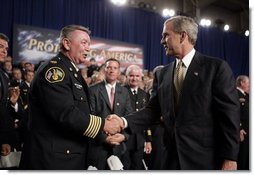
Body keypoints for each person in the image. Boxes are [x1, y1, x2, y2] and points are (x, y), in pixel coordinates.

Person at [111, 16, 240, 170]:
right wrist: (123, 122)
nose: (161, 41)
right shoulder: (163, 74)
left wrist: (230, 158)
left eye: (166, 35)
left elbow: (229, 116)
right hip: (171, 158)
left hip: (205, 160)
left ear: (183, 36)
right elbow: (152, 111)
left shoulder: (216, 68)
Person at [19, 25, 124, 170]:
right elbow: (65, 113)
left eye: (89, 43)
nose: (88, 48)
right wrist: (103, 125)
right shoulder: (55, 71)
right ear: (66, 43)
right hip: (51, 161)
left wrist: (102, 136)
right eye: (84, 42)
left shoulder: (71, 71)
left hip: (67, 157)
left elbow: (82, 114)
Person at [88, 58, 133, 170]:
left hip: (119, 147)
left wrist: (124, 136)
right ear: (104, 70)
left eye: (115, 68)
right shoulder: (93, 90)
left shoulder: (125, 92)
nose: (112, 70)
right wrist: (105, 138)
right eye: (109, 67)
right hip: (98, 146)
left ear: (118, 72)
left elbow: (129, 117)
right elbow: (90, 116)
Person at [124, 65, 152, 170]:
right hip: (125, 138)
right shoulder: (121, 92)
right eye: (131, 76)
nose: (134, 78)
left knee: (137, 168)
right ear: (127, 77)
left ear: (141, 77)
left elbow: (147, 118)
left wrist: (148, 140)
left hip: (139, 139)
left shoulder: (144, 95)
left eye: (137, 76)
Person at [0, 33, 13, 158]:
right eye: (0, 46)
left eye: (6, 48)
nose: (4, 51)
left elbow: (3, 110)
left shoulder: (4, 77)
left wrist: (4, 140)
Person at [236, 75, 249, 170]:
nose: (249, 85)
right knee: (242, 158)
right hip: (242, 133)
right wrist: (239, 129)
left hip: (248, 132)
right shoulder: (235, 94)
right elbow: (234, 113)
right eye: (248, 82)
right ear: (242, 83)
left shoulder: (246, 95)